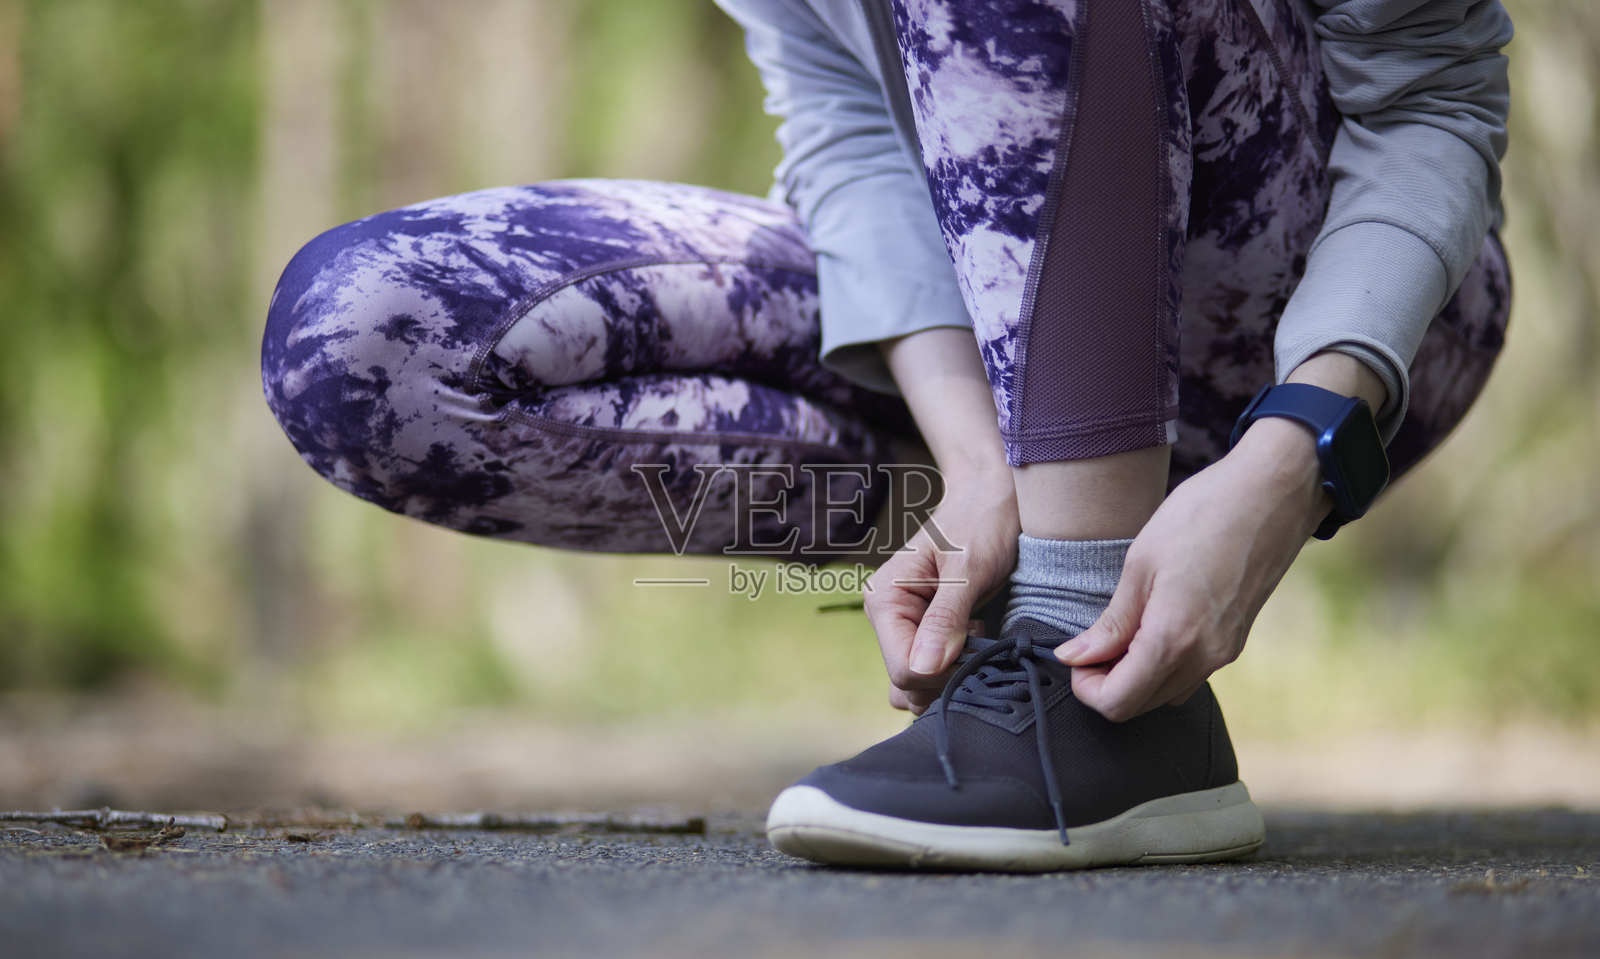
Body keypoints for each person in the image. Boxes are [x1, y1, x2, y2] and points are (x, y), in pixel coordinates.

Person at [260, 0, 1512, 871]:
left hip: (1325, 330)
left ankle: (1100, 700)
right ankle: (1031, 543)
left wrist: (1298, 450)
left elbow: (1434, 103)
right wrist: (971, 459)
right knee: (372, 338)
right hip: (984, 333)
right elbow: (848, 131)